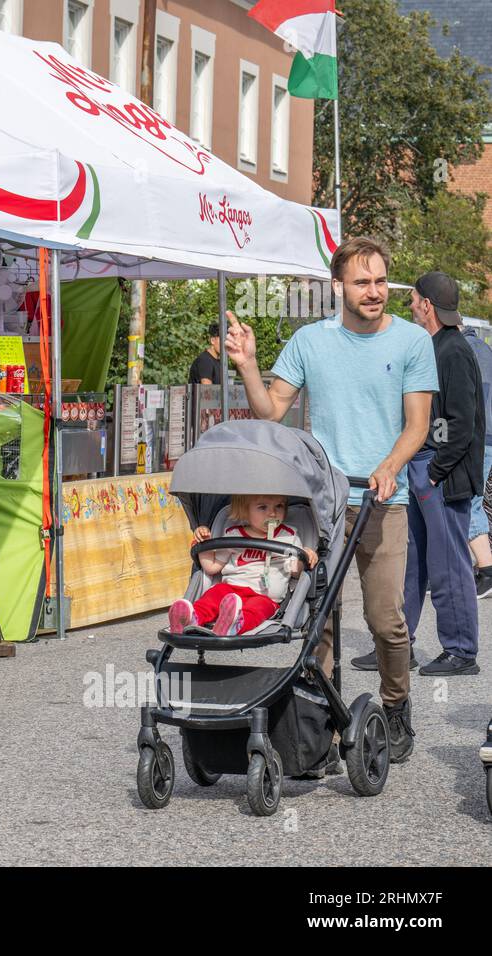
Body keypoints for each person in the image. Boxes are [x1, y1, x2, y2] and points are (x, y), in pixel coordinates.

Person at [225, 236, 437, 762]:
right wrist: (248, 365)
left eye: (381, 281)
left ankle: (394, 705)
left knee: (386, 618)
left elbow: (417, 425)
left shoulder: (412, 342)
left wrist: (389, 466)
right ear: (338, 286)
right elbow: (271, 412)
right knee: (318, 613)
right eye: (362, 282)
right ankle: (318, 717)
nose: (374, 291)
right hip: (324, 498)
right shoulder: (309, 342)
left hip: (384, 497)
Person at [397, 273, 482, 677]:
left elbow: (462, 423)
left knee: (449, 564)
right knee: (414, 560)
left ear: (427, 305)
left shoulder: (454, 351)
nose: (411, 305)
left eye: (414, 299)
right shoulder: (434, 347)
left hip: (440, 475)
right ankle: (401, 643)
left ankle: (461, 650)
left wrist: (434, 471)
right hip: (425, 468)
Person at [171, 494, 317, 636]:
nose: (272, 513)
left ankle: (235, 624)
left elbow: (295, 572)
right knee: (214, 595)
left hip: (266, 597)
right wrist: (203, 544)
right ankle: (191, 618)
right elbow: (212, 567)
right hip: (231, 589)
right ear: (245, 510)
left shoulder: (289, 536)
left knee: (257, 609)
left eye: (279, 506)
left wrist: (305, 557)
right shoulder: (233, 534)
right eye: (262, 507)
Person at [460, 320, 492, 597]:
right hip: (486, 435)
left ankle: (487, 571)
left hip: (479, 436)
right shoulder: (483, 348)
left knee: (470, 502)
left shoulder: (464, 351)